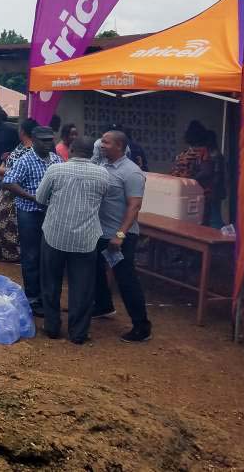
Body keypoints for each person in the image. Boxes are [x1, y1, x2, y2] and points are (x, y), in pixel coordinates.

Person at [35, 136, 109, 344]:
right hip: (86, 239)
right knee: (82, 288)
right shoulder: (103, 175)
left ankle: (51, 327)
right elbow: (103, 200)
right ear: (91, 153)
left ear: (72, 149)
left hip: (54, 235)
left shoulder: (55, 170)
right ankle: (78, 333)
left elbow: (40, 199)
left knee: (51, 282)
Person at [94, 129, 152, 342]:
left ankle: (141, 326)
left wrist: (120, 235)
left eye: (106, 142)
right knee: (95, 270)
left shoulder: (132, 172)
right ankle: (102, 306)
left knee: (126, 279)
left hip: (120, 236)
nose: (101, 144)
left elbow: (134, 206)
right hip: (100, 232)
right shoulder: (103, 165)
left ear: (119, 146)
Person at [3, 125, 61, 314]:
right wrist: (32, 196)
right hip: (30, 212)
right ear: (34, 141)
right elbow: (9, 182)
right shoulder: (25, 160)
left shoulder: (56, 160)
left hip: (50, 213)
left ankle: (48, 297)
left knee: (49, 256)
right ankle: (33, 298)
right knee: (31, 256)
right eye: (43, 140)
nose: (48, 143)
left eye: (50, 139)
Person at [0, 118, 39, 264]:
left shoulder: (31, 150)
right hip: (5, 192)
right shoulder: (21, 146)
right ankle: (4, 252)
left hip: (15, 193)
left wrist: (0, 170)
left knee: (10, 225)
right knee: (0, 220)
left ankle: (11, 254)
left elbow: (19, 170)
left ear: (22, 131)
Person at [203, 129, 226, 228]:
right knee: (212, 213)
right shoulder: (211, 154)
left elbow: (217, 174)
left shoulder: (216, 155)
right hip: (213, 188)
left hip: (214, 189)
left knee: (215, 214)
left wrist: (211, 188)